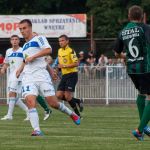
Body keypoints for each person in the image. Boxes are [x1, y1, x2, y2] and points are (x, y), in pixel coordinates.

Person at [17, 19, 80, 136]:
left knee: (53, 103)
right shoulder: (25, 46)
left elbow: (48, 50)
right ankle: (37, 130)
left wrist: (49, 70)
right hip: (28, 76)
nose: (22, 31)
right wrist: (20, 69)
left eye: (24, 28)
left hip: (41, 76)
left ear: (30, 28)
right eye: (20, 29)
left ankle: (72, 114)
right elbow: (26, 60)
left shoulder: (39, 38)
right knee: (30, 101)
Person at [113, 5, 150, 141]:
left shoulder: (123, 32)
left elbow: (116, 53)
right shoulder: (145, 28)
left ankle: (144, 126)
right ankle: (140, 130)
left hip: (132, 69)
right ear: (142, 16)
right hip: (146, 68)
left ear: (129, 16)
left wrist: (128, 57)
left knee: (141, 94)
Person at [0, 35, 29, 121]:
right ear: (10, 41)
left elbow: (26, 61)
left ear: (19, 41)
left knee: (12, 94)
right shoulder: (8, 51)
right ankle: (28, 111)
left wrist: (21, 71)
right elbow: (6, 62)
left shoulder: (23, 50)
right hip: (12, 75)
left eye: (16, 39)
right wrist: (3, 69)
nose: (14, 41)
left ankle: (9, 115)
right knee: (13, 96)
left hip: (20, 74)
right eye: (13, 39)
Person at [56, 35, 84, 118]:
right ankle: (78, 101)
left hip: (72, 74)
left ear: (67, 41)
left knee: (68, 97)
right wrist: (57, 71)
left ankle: (77, 114)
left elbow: (76, 63)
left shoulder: (71, 51)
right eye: (59, 41)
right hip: (64, 75)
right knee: (58, 95)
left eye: (62, 40)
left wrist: (64, 66)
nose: (60, 42)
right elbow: (60, 64)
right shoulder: (59, 51)